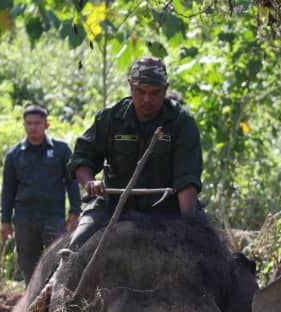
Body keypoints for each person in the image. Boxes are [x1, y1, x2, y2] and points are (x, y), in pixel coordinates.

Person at [68, 56, 203, 248]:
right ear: (130, 86)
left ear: (165, 89)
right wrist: (90, 182)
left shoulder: (182, 123)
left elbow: (187, 179)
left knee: (209, 256)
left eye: (155, 93)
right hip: (112, 208)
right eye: (140, 91)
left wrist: (189, 225)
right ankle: (58, 278)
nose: (147, 99)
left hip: (168, 210)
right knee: (75, 247)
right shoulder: (110, 118)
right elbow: (82, 157)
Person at [0, 104, 81, 283]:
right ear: (23, 125)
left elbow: (71, 182)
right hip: (24, 219)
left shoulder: (61, 150)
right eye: (28, 123)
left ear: (46, 125)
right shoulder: (14, 155)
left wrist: (75, 211)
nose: (33, 127)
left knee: (59, 262)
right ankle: (32, 307)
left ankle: (58, 302)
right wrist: (5, 220)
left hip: (54, 217)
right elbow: (8, 190)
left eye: (37, 123)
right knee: (29, 267)